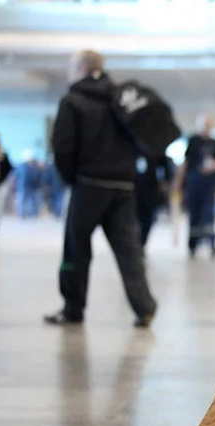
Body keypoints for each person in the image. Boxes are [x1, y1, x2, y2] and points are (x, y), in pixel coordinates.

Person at [44, 50, 157, 328]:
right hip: (123, 186)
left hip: (89, 185)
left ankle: (73, 309)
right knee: (129, 250)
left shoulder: (73, 100)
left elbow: (62, 147)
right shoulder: (122, 99)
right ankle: (145, 308)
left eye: (72, 66)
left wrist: (71, 178)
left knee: (75, 249)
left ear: (82, 67)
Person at [176, 115, 215, 257]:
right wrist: (178, 183)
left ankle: (212, 244)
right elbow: (185, 163)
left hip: (209, 185)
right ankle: (192, 245)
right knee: (194, 215)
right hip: (194, 184)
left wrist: (212, 166)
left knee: (208, 215)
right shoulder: (193, 140)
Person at [135, 155, 175, 249]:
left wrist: (165, 183)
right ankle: (135, 244)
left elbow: (166, 168)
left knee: (147, 219)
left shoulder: (156, 149)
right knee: (134, 218)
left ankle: (141, 243)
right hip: (133, 189)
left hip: (150, 190)